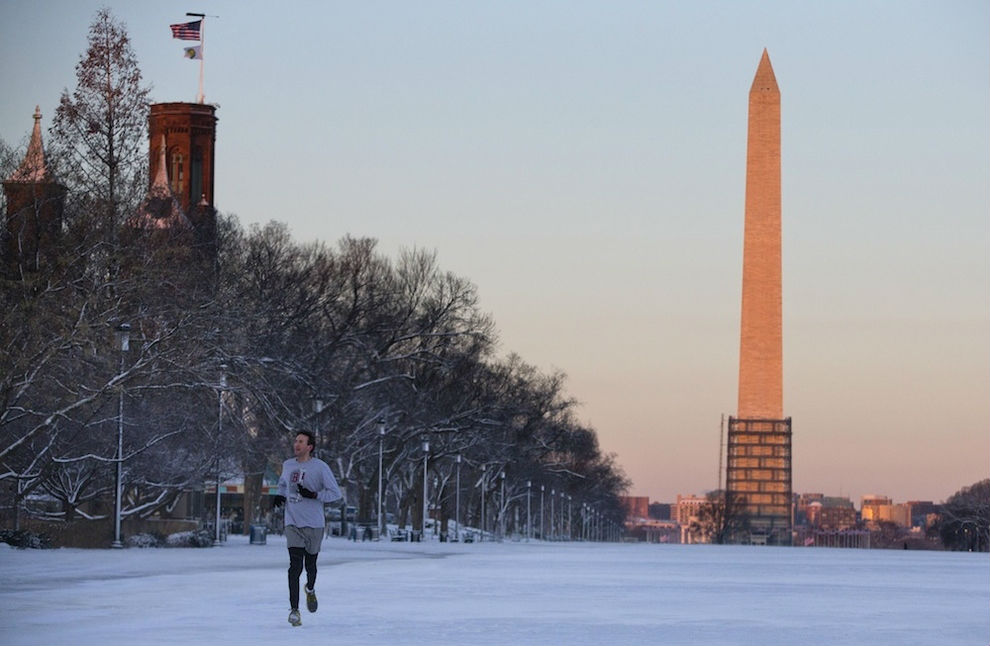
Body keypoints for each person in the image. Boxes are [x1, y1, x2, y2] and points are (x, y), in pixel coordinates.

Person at [273, 431, 342, 627]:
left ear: (310, 446)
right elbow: (283, 484)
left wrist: (314, 495)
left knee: (310, 566)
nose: (296, 444)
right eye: (295, 440)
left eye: (301, 441)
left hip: (314, 524)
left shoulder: (320, 467)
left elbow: (335, 494)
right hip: (292, 522)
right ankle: (294, 611)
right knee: (295, 567)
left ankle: (310, 590)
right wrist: (279, 495)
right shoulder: (288, 465)